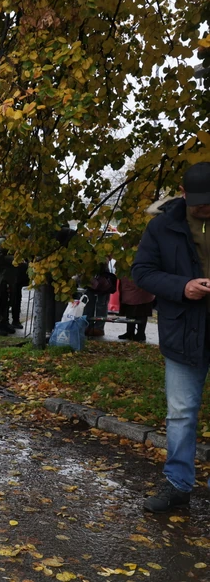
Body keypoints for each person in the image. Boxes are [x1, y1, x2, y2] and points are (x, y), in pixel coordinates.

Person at [132, 161, 210, 512]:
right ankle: (178, 486)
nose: (204, 207)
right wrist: (182, 286)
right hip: (183, 330)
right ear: (183, 193)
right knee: (180, 413)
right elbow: (143, 272)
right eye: (198, 201)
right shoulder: (162, 226)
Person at [117, 276, 154, 341]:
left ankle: (140, 333)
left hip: (140, 285)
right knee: (131, 310)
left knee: (141, 311)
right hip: (132, 283)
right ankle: (131, 332)